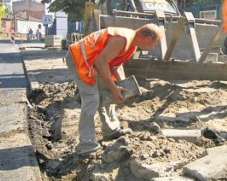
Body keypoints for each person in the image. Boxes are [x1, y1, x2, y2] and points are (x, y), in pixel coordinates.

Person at [66, 24, 163, 155]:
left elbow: (116, 66)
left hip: (93, 61)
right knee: (92, 99)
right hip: (80, 59)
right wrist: (113, 87)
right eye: (154, 43)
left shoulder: (131, 45)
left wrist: (123, 85)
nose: (153, 47)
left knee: (107, 96)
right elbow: (101, 61)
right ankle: (86, 144)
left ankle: (110, 130)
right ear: (148, 37)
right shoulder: (122, 39)